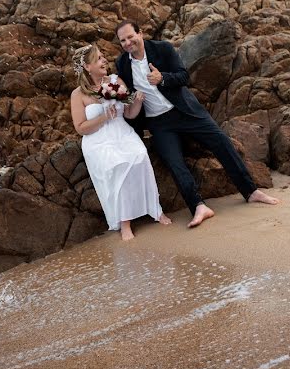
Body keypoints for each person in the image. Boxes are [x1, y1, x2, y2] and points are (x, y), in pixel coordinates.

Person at [114, 20, 279, 228]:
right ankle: (198, 207)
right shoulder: (122, 64)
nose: (128, 43)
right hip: (158, 123)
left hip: (185, 111)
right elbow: (123, 93)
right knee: (175, 163)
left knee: (221, 141)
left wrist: (162, 78)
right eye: (123, 40)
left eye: (130, 37)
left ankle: (251, 191)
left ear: (140, 32)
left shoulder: (162, 49)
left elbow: (184, 76)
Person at [69, 44, 172, 240]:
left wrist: (138, 101)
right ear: (87, 67)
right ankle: (125, 223)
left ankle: (155, 210)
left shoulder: (113, 82)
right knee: (118, 164)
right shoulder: (78, 94)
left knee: (140, 156)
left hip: (122, 132)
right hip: (98, 140)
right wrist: (103, 118)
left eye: (102, 57)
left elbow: (129, 114)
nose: (104, 61)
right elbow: (80, 127)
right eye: (99, 58)